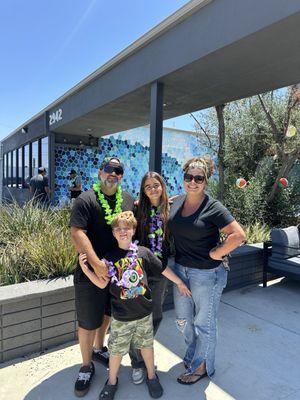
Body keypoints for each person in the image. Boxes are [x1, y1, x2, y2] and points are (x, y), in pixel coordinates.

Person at [78, 211, 191, 400]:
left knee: (147, 347)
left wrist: (179, 282)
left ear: (133, 230)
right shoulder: (110, 257)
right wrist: (86, 270)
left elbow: (162, 268)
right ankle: (111, 381)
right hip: (121, 317)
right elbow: (102, 283)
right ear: (113, 233)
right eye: (118, 229)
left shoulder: (143, 253)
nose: (123, 232)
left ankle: (152, 376)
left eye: (126, 228)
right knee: (115, 351)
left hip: (143, 314)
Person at [167, 156, 246, 385]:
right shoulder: (178, 201)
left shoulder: (213, 207)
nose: (193, 182)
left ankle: (201, 366)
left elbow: (239, 235)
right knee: (183, 320)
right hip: (181, 270)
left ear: (206, 180)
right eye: (189, 177)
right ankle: (193, 354)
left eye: (198, 178)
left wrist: (216, 253)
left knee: (204, 322)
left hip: (207, 274)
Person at [70, 156, 134, 397]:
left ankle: (99, 348)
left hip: (117, 273)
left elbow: (134, 223)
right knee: (87, 321)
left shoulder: (126, 199)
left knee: (107, 313)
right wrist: (96, 264)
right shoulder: (86, 199)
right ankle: (86, 366)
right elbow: (77, 232)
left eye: (118, 170)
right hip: (90, 273)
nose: (113, 174)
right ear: (100, 172)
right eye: (109, 169)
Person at [129, 172, 170, 384]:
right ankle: (136, 363)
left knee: (155, 316)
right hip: (140, 272)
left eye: (156, 185)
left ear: (162, 186)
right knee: (136, 318)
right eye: (148, 187)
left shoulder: (171, 209)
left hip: (161, 272)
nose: (153, 189)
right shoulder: (138, 209)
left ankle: (143, 355)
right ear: (143, 191)